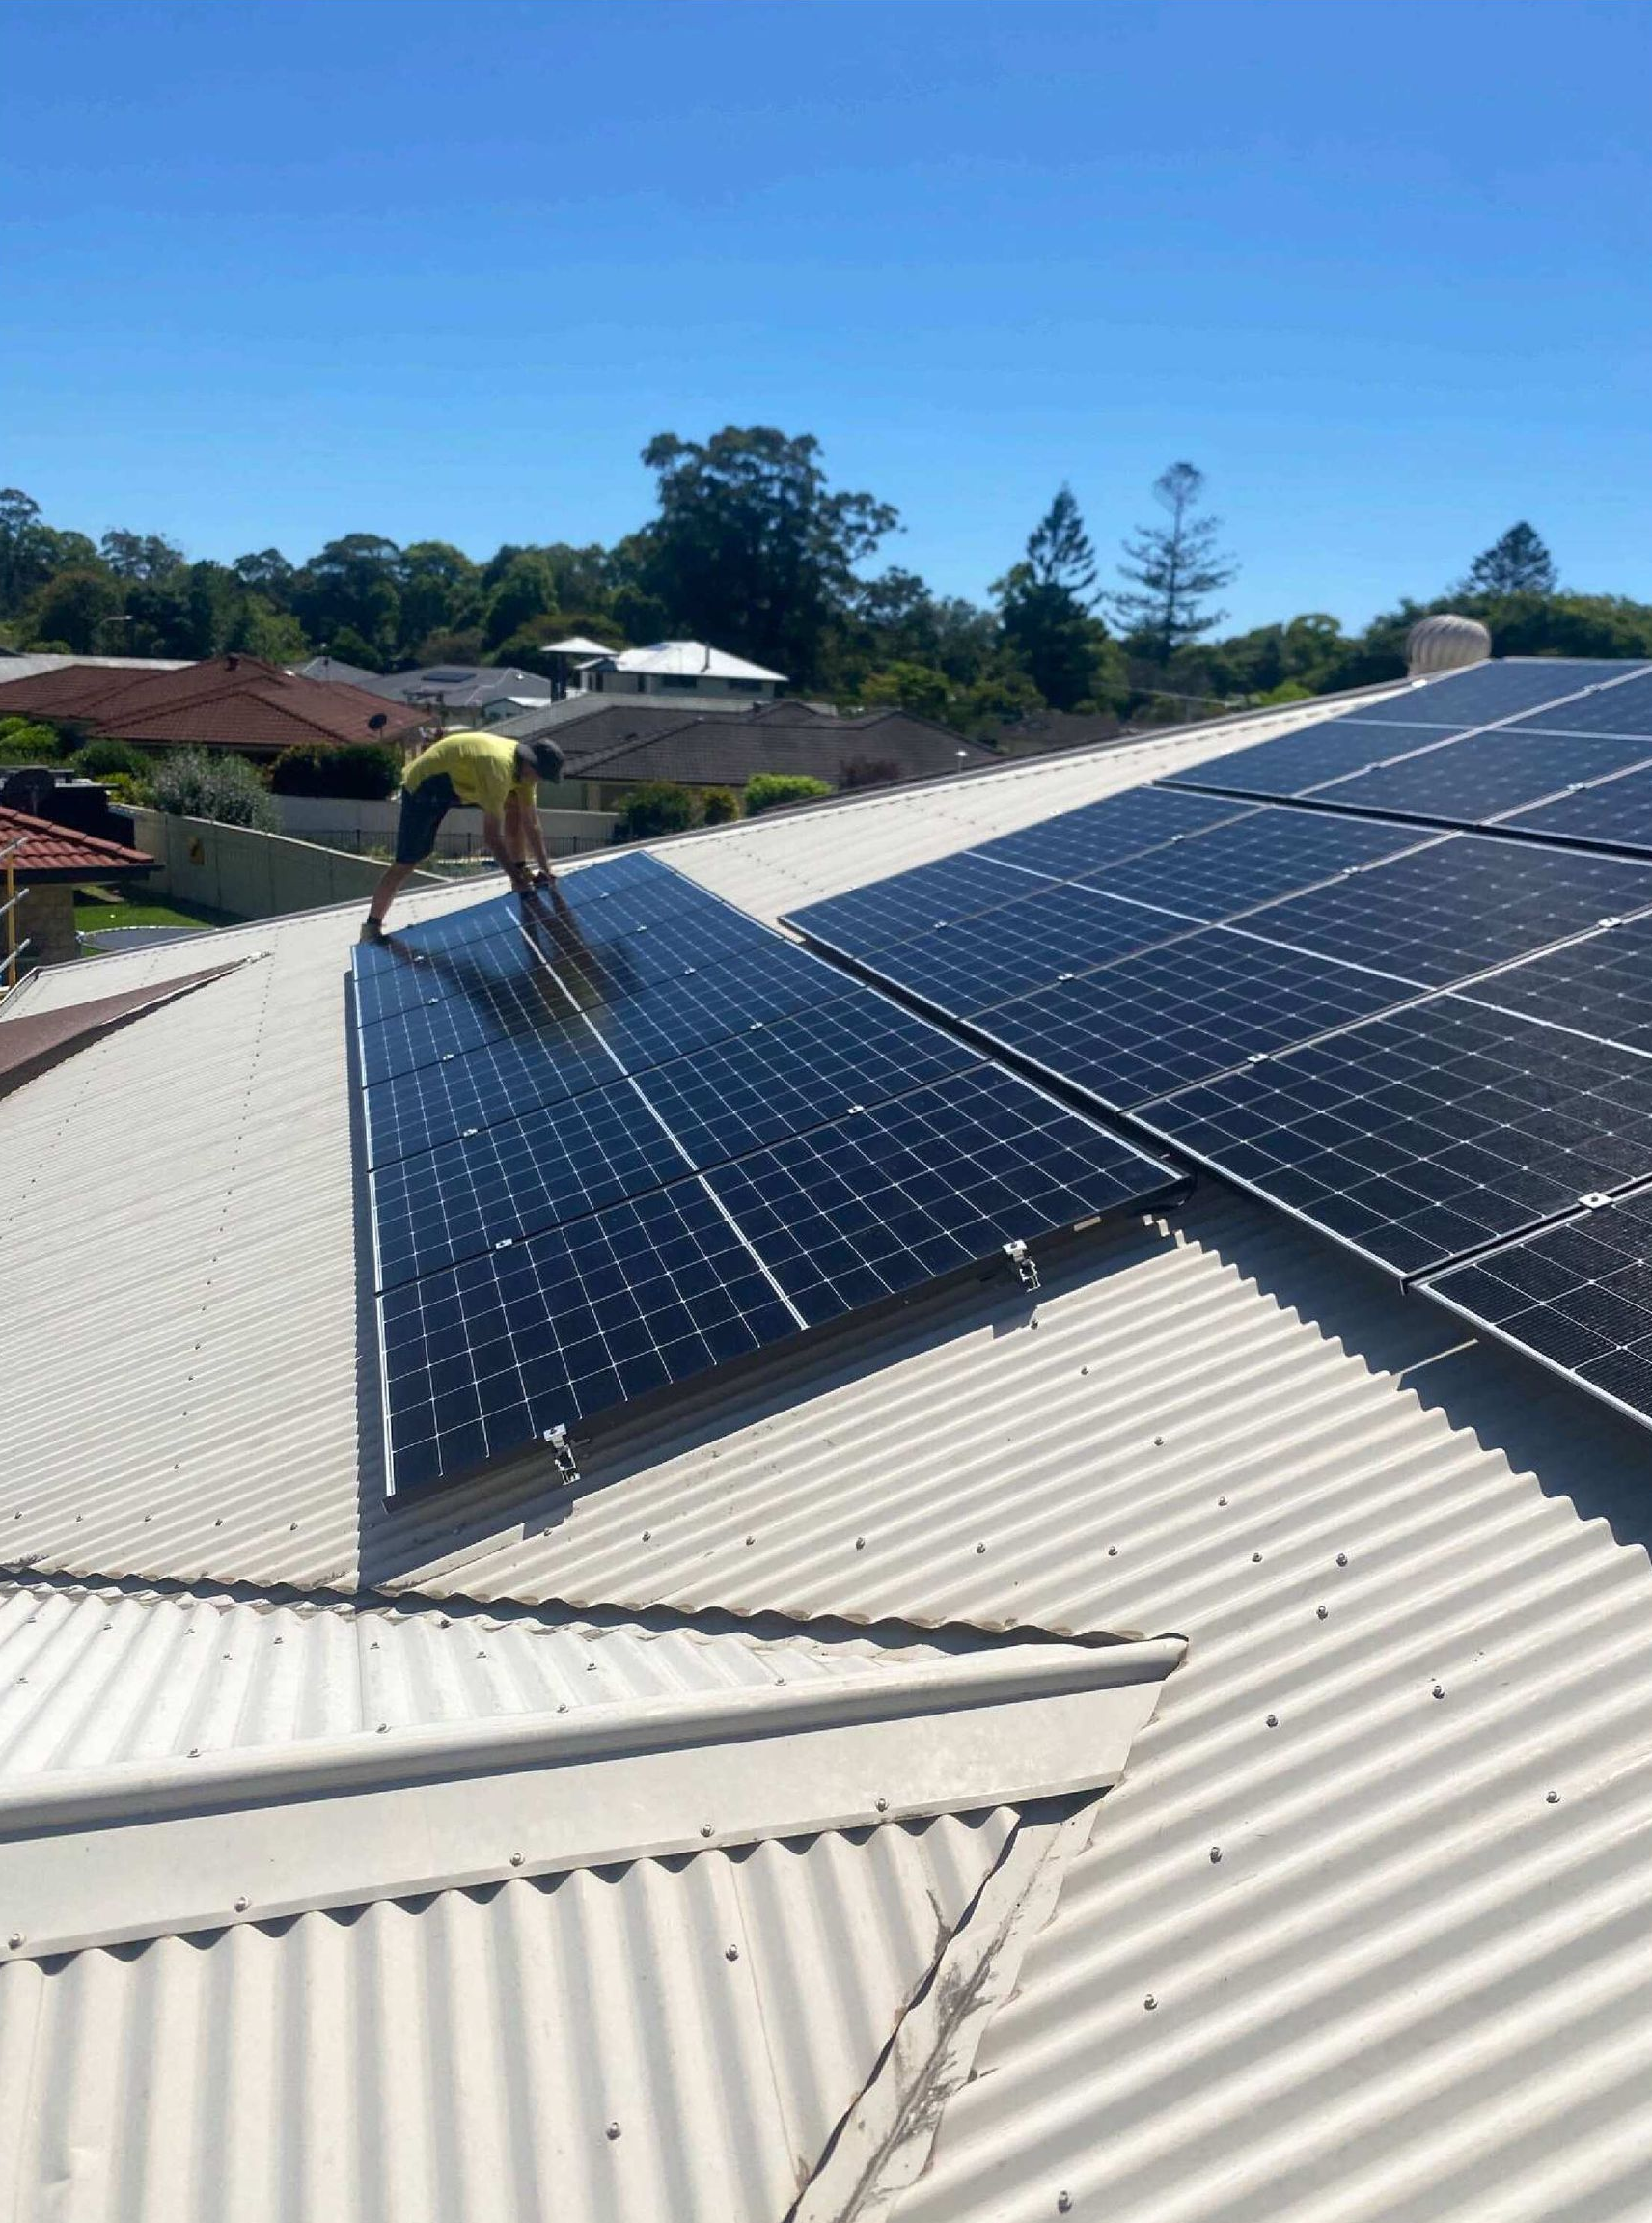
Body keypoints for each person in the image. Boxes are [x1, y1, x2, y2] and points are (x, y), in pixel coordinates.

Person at [361, 729, 566, 941]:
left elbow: (531, 823)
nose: (540, 781)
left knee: (516, 806)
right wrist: (516, 878)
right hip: (426, 785)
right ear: (530, 765)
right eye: (541, 776)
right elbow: (492, 838)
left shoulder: (525, 777)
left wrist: (545, 869)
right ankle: (371, 927)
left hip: (462, 780)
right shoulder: (498, 771)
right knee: (408, 861)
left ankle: (521, 870)